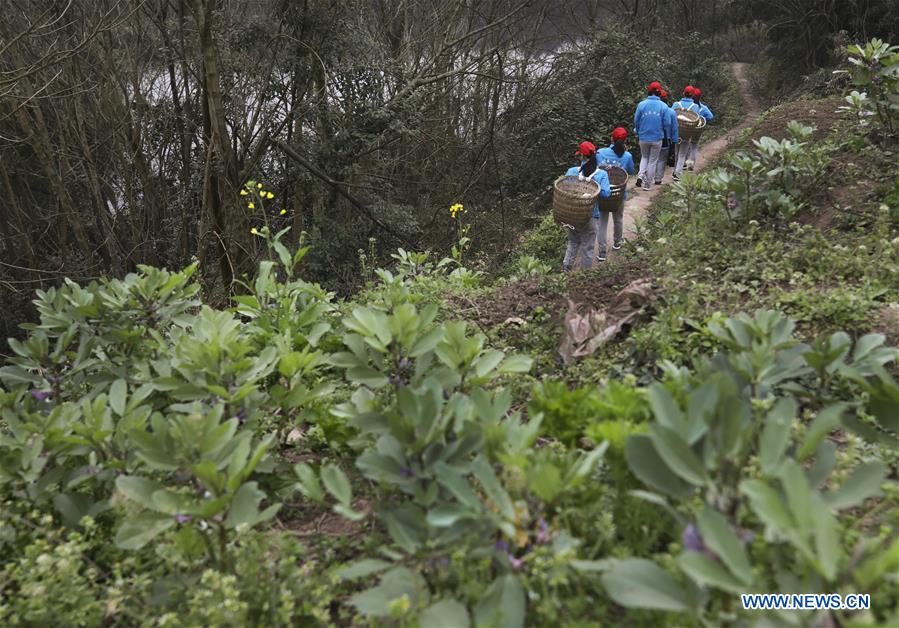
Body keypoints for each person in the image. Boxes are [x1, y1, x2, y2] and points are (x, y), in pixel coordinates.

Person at [562, 141, 611, 270]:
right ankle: (584, 276)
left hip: (573, 215)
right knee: (588, 247)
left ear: (581, 156)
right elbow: (606, 194)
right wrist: (594, 190)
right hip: (591, 216)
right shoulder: (601, 174)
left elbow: (563, 188)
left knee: (573, 242)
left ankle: (565, 270)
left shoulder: (572, 171)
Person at [595, 127, 635, 261]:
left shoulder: (600, 153)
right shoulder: (627, 156)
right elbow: (630, 171)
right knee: (618, 219)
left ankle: (602, 252)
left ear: (611, 138)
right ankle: (617, 243)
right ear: (625, 140)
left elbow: (595, 169)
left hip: (603, 193)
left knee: (602, 223)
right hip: (619, 194)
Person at [633, 81, 677, 192]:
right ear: (659, 93)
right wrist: (663, 132)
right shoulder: (664, 106)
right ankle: (647, 185)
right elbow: (667, 123)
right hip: (657, 138)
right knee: (653, 161)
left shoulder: (641, 104)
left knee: (644, 157)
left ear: (649, 91)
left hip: (643, 137)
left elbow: (636, 120)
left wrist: (638, 131)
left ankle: (640, 176)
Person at [671, 86, 701, 180]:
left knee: (676, 152)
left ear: (683, 93)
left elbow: (671, 115)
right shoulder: (695, 106)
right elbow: (696, 120)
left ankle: (675, 171)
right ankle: (677, 173)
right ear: (692, 96)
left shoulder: (676, 104)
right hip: (687, 133)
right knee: (682, 154)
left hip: (676, 132)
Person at [654, 89, 679, 185]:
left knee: (652, 158)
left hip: (653, 136)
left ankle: (647, 177)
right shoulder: (672, 112)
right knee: (661, 159)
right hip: (666, 139)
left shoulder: (654, 110)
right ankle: (658, 179)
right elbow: (674, 127)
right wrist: (675, 140)